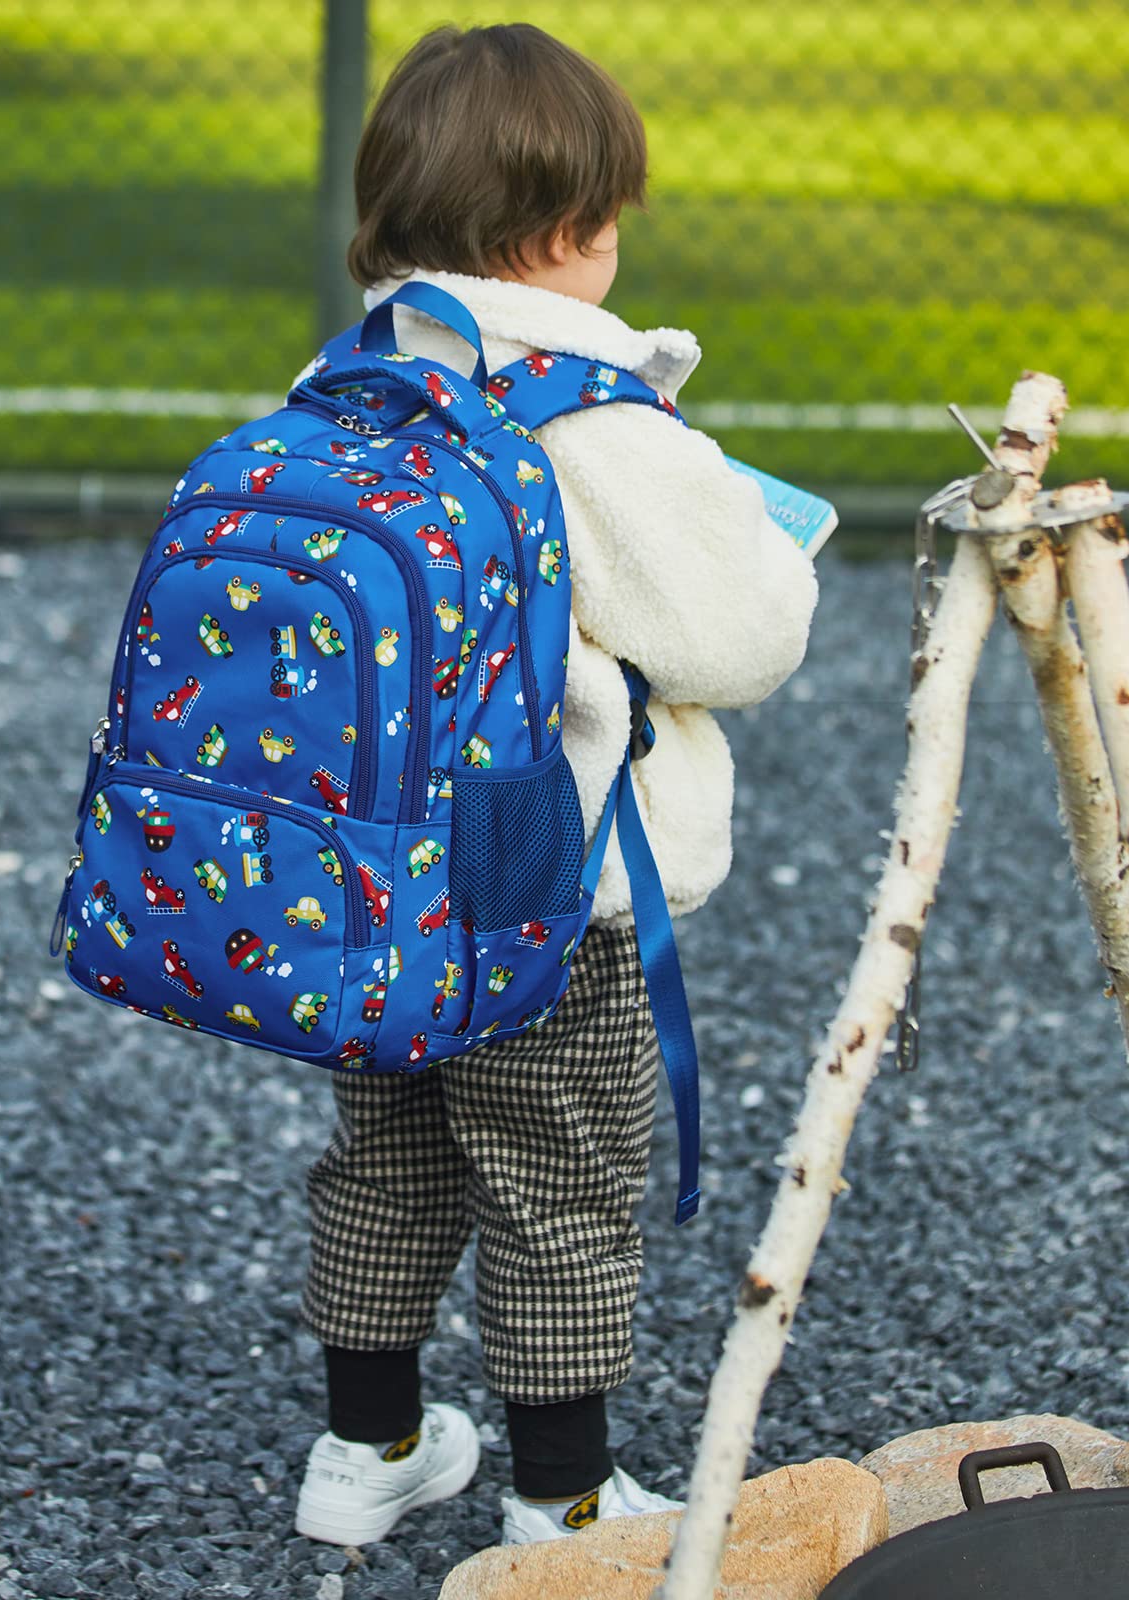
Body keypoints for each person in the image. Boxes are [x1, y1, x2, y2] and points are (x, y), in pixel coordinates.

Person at [290, 21, 820, 1549]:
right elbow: (741, 639)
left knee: (386, 1162)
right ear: (565, 233)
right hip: (545, 894)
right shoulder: (595, 421)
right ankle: (564, 1495)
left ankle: (368, 1447)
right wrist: (762, 546)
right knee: (557, 1184)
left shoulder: (340, 379)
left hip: (375, 883)